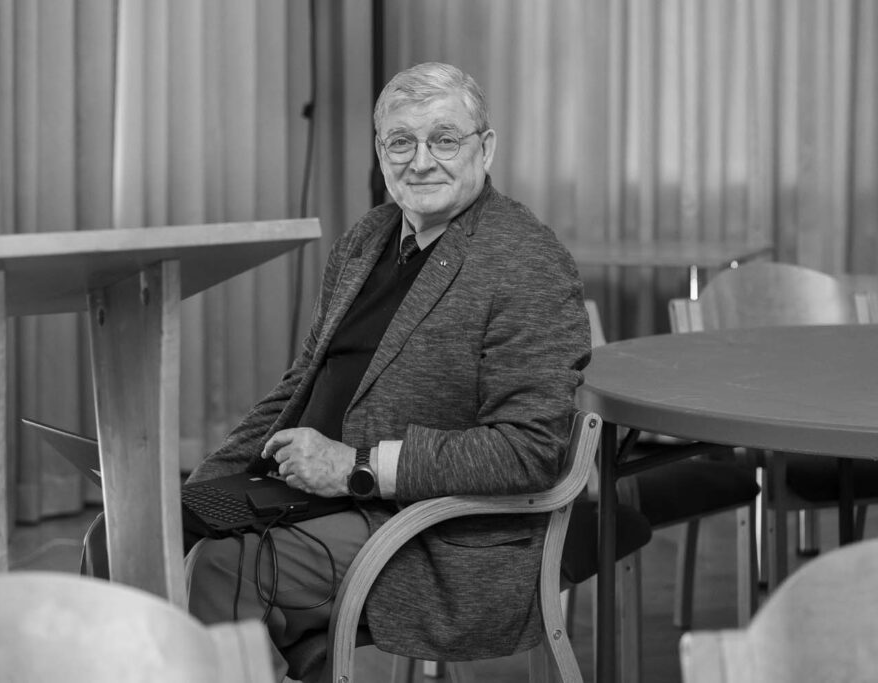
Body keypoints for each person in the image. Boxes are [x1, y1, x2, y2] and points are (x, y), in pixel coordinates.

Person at [186, 61, 590, 679]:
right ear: (380, 153)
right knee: (126, 536)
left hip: (428, 528)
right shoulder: (367, 237)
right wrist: (200, 490)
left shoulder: (526, 261)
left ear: (485, 148)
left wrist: (357, 466)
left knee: (220, 570)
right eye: (401, 142)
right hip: (308, 496)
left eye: (444, 139)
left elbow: (529, 451)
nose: (421, 161)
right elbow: (300, 385)